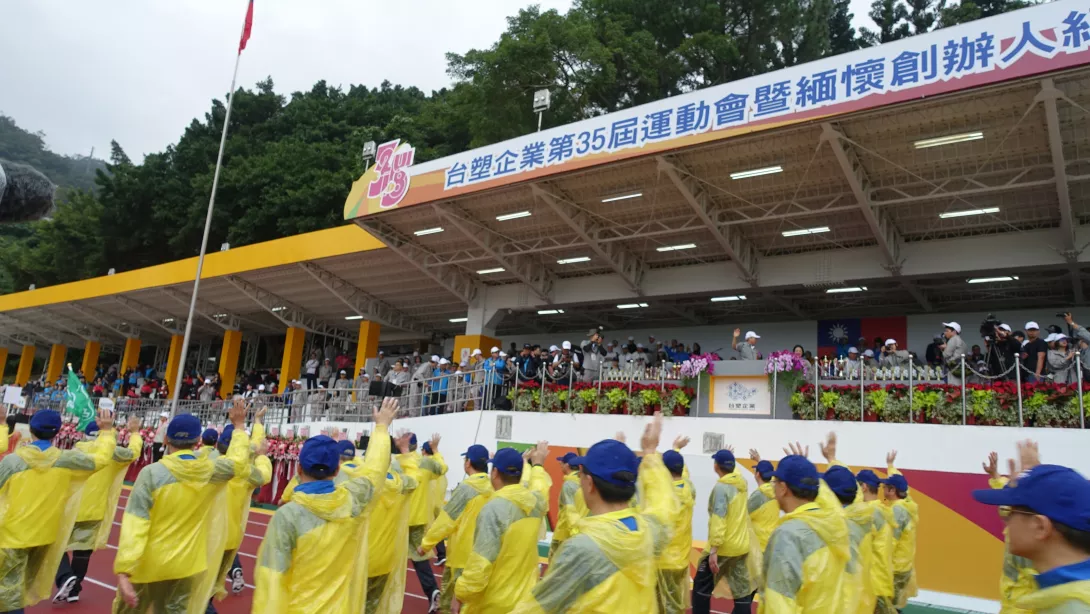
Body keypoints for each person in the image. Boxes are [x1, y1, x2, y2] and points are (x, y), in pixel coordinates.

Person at [511, 413, 677, 613]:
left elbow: (535, 608)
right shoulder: (649, 532)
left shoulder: (581, 549)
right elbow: (663, 504)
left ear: (589, 483)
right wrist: (650, 454)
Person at [252, 397, 399, 613]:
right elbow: (375, 471)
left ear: (299, 469)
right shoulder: (353, 501)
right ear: (337, 470)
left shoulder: (287, 516)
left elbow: (270, 582)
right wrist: (382, 428)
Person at [112, 404, 251, 614]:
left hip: (149, 565)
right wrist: (239, 427)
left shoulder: (151, 474)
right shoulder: (210, 471)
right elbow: (238, 463)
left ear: (166, 440)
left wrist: (125, 569)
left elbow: (136, 522)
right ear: (197, 441)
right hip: (188, 565)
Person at [0, 408, 117, 613]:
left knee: (8, 591)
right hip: (44, 536)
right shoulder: (66, 460)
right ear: (57, 432)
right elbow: (101, 459)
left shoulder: (13, 461)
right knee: (19, 590)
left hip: (11, 536)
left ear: (31, 429)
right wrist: (107, 431)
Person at [972, 440, 1090, 613]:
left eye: (1012, 511)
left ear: (1040, 527)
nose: (1006, 518)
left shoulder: (1072, 608)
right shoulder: (1059, 595)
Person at [53, 416, 144, 605]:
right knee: (83, 550)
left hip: (71, 508)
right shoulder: (115, 453)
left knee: (55, 544)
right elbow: (134, 452)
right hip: (95, 508)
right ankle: (74, 589)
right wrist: (135, 433)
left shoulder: (77, 450)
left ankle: (65, 576)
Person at [455, 444, 552, 612]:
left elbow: (481, 562)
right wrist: (537, 465)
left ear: (494, 472)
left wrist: (461, 593)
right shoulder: (535, 503)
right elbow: (540, 488)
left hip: (494, 602)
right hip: (524, 600)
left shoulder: (494, 509)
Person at [757, 451, 852, 613]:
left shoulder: (788, 535)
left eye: (775, 482)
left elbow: (780, 603)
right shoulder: (833, 525)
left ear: (783, 488)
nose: (773, 486)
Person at [419, 444, 495, 614]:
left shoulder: (466, 489)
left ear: (468, 462)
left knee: (448, 606)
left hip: (461, 558)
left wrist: (426, 544)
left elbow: (446, 521)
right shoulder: (492, 487)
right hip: (483, 558)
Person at [213, 407, 271, 601]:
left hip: (206, 538)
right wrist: (257, 422)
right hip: (230, 538)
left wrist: (241, 425)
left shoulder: (208, 465)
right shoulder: (246, 474)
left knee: (200, 595)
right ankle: (235, 570)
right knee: (209, 591)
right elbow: (263, 469)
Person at [693, 448, 760, 614]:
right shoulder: (741, 483)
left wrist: (714, 549)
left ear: (716, 466)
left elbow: (719, 518)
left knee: (701, 588)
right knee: (742, 593)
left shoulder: (721, 488)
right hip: (741, 547)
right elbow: (734, 473)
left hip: (724, 547)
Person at [365, 431, 417, 614]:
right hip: (385, 560)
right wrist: (405, 451)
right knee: (372, 607)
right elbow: (414, 478)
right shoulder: (400, 483)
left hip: (360, 560)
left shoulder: (361, 483)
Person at [981, 451, 1036, 614]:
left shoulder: (1035, 541)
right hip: (1009, 601)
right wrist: (995, 475)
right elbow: (1006, 492)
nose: (1005, 517)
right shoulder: (1018, 525)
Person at [404, 433, 448, 611]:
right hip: (419, 518)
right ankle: (431, 591)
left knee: (391, 559)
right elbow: (443, 468)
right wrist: (436, 450)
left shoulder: (398, 463)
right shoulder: (426, 464)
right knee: (420, 559)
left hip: (399, 520)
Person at [658, 442, 696, 614]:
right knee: (675, 603)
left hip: (663, 560)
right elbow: (683, 475)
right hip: (681, 558)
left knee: (661, 605)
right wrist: (677, 450)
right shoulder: (689, 488)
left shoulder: (661, 494)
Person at [882, 451, 919, 610]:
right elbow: (901, 482)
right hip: (904, 564)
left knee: (889, 608)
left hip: (895, 568)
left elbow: (890, 541)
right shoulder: (907, 502)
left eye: (885, 487)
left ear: (892, 491)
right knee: (894, 606)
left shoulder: (897, 511)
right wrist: (890, 465)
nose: (882, 489)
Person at [856, 469, 896, 613]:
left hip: (872, 584)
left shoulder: (867, 513)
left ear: (863, 487)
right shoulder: (882, 510)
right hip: (882, 579)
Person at [548, 452, 586, 562]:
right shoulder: (584, 482)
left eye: (562, 463)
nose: (560, 465)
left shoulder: (569, 484)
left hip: (565, 532)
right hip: (580, 529)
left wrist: (574, 535)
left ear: (567, 465)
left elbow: (570, 512)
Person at [746, 452, 779, 553]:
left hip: (759, 547)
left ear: (758, 474)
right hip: (773, 544)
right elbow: (772, 478)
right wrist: (759, 461)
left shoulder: (758, 496)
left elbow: (743, 516)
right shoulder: (777, 490)